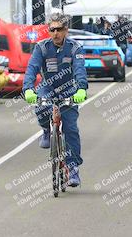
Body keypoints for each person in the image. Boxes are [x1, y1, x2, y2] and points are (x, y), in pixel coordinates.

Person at [23, 13, 88, 187]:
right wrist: (28, 89)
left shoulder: (75, 48)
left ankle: (73, 168)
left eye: (59, 29)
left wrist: (81, 88)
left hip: (69, 90)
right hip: (48, 88)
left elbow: (80, 70)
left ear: (66, 30)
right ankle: (46, 129)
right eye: (52, 29)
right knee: (41, 106)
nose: (55, 33)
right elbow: (32, 69)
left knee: (71, 128)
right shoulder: (41, 48)